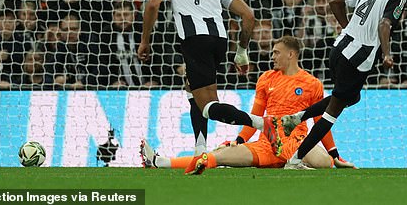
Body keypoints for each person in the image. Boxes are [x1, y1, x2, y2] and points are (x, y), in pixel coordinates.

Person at [137, 0, 278, 175]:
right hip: (218, 41)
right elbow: (249, 17)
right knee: (192, 88)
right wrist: (241, 53)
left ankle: (263, 124)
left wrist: (145, 40)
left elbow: (153, 4)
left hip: (195, 40)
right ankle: (199, 150)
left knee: (207, 106)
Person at [278, 0, 407, 170]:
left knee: (349, 97)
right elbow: (384, 24)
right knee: (334, 111)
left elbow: (335, 2)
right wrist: (387, 53)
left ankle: (298, 117)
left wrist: (346, 27)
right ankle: (295, 159)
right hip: (358, 57)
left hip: (339, 47)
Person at [139, 36, 356, 171]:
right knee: (219, 157)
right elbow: (255, 115)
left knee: (324, 163)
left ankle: (298, 160)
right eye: (272, 52)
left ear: (291, 54)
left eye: (276, 52)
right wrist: (239, 139)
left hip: (298, 140)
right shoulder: (266, 79)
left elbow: (322, 121)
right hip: (268, 142)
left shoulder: (312, 83)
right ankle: (160, 162)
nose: (272, 56)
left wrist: (335, 154)